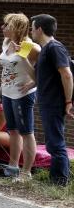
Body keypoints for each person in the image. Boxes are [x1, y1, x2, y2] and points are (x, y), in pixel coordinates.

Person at [30, 14, 73, 186]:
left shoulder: (55, 47)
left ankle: (60, 181)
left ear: (39, 29)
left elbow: (67, 74)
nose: (31, 31)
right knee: (52, 142)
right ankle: (57, 178)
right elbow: (44, 76)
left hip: (55, 102)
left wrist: (68, 102)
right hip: (48, 101)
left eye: (32, 28)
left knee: (56, 143)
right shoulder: (45, 49)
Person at [0, 13, 40, 181]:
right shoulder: (6, 41)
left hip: (22, 95)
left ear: (16, 27)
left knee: (26, 132)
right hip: (7, 93)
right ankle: (13, 166)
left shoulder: (29, 46)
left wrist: (32, 83)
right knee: (13, 131)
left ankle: (26, 172)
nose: (2, 27)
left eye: (6, 25)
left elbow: (39, 74)